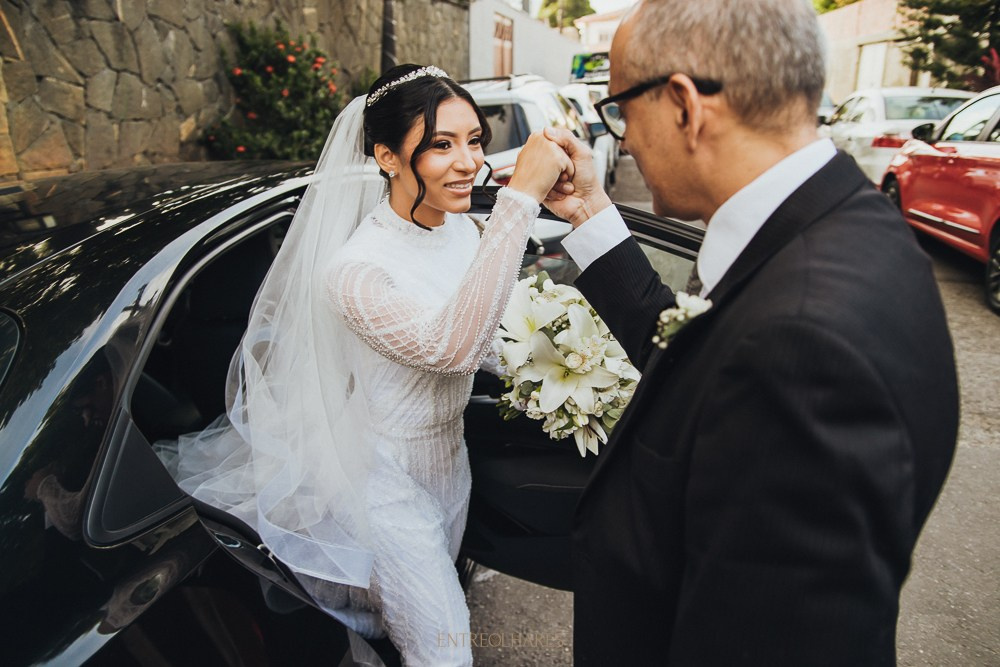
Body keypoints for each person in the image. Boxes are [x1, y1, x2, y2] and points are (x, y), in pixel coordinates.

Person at [540, 1, 960, 664]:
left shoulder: (801, 350)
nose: (623, 140)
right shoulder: (845, 229)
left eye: (620, 108)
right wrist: (591, 211)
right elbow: (698, 357)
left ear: (683, 104)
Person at [160, 64, 572, 666]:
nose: (468, 162)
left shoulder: (462, 233)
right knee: (445, 653)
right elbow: (449, 347)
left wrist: (573, 376)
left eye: (474, 141)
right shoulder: (356, 271)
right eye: (441, 144)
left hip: (449, 469)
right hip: (382, 485)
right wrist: (520, 200)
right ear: (386, 156)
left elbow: (493, 337)